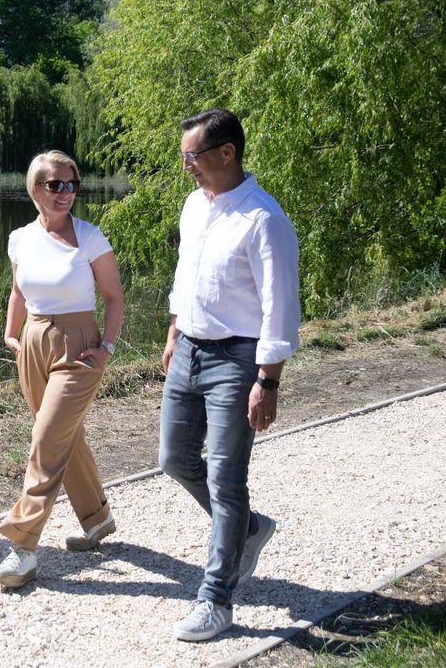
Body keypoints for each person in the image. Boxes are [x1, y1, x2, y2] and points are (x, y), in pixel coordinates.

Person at [159, 108, 301, 641]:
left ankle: (216, 599)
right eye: (184, 156)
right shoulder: (195, 206)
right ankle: (247, 529)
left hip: (238, 362)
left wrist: (268, 381)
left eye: (192, 156)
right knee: (172, 458)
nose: (186, 167)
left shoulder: (264, 220)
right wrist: (174, 333)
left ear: (227, 153)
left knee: (225, 476)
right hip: (189, 350)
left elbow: (280, 307)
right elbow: (185, 277)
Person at [0, 150, 124, 588]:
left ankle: (24, 546)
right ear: (35, 189)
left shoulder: (90, 237)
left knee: (47, 439)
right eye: (55, 184)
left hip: (79, 346)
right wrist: (13, 333)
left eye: (72, 184)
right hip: (33, 342)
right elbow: (18, 290)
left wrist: (106, 346)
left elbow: (114, 298)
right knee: (64, 437)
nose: (66, 192)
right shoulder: (20, 238)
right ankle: (97, 517)